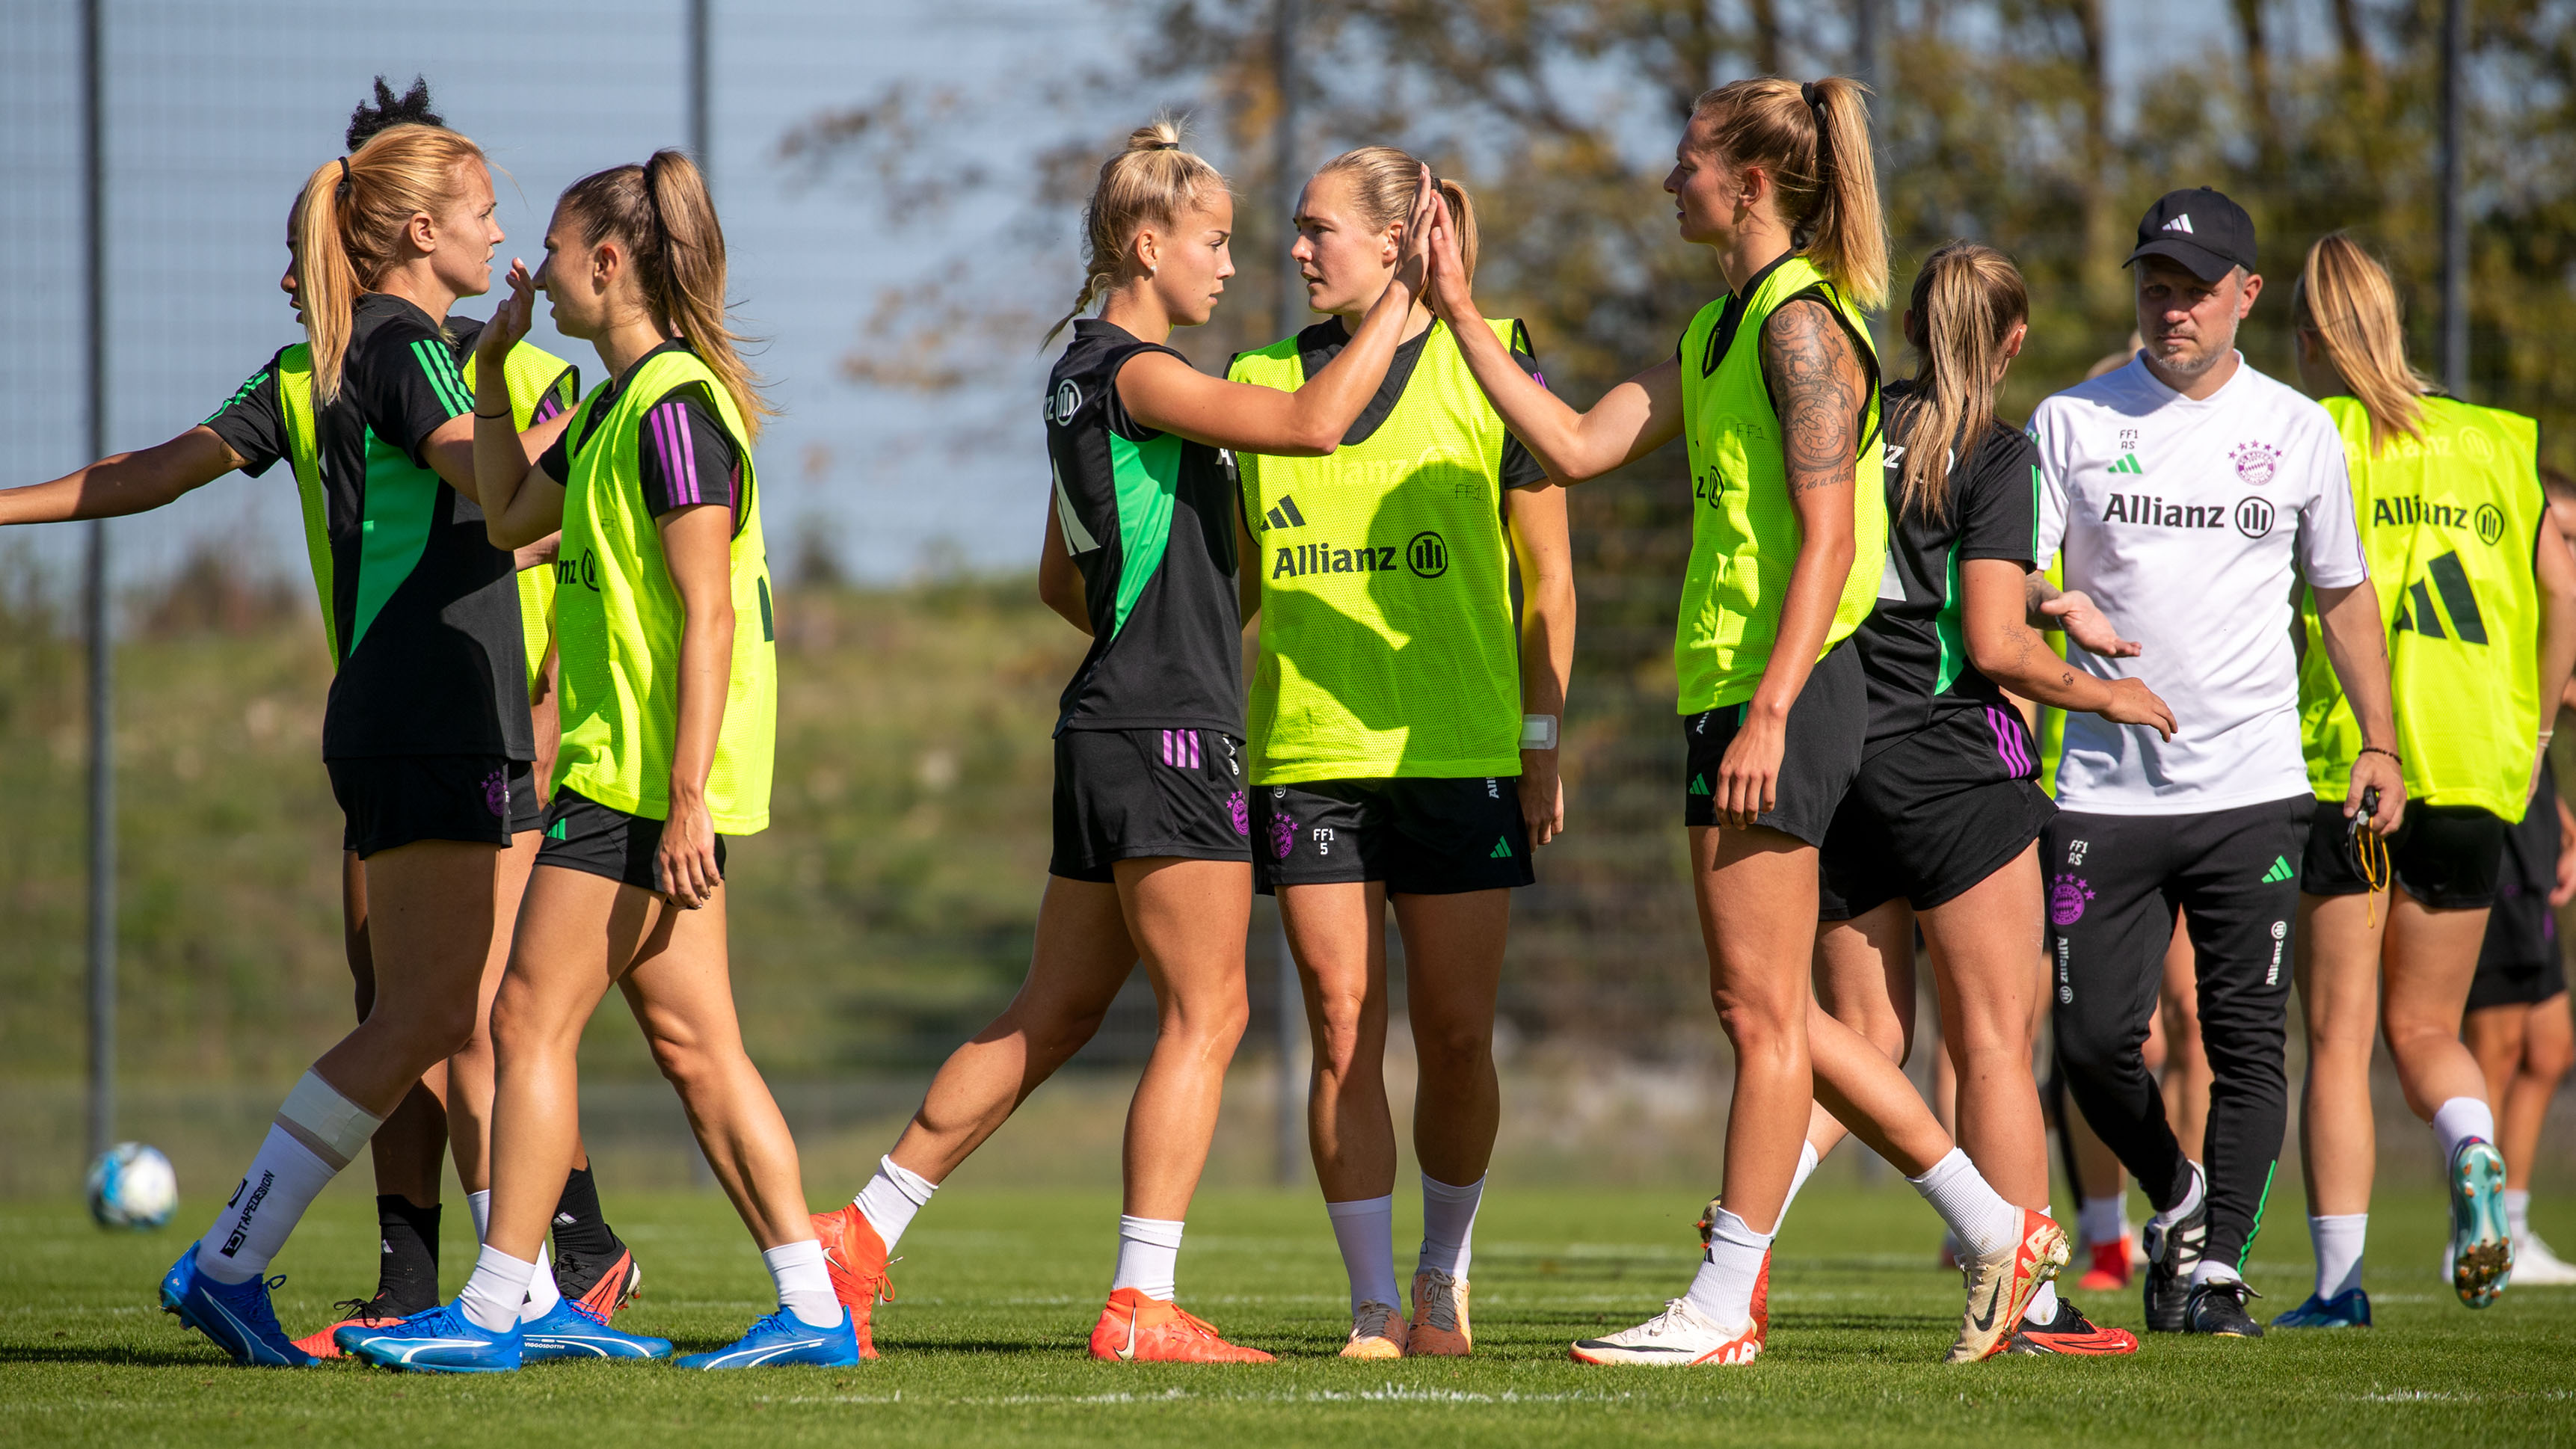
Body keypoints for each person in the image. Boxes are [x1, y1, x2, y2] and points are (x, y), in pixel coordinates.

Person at [803, 119, 1442, 1364]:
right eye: (1211, 242)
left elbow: (1064, 575)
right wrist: (1406, 291)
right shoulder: (1139, 373)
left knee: (1051, 1011)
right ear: (1144, 244)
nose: (1227, 266)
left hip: (1108, 717)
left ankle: (859, 1234)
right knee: (1208, 1016)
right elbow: (1315, 423)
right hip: (1167, 735)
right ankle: (1141, 1299)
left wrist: (1183, 608)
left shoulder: (1079, 375)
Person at [1422, 75, 2020, 1367]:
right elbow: (1575, 444)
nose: (1665, 180)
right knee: (1762, 1005)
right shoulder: (1717, 331)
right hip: (1729, 691)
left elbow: (1830, 543)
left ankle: (1723, 1304)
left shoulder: (1803, 330)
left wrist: (1771, 708)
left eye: (1687, 160)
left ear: (1749, 183)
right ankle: (1991, 1223)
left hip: (1780, 695)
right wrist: (1460, 313)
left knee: (1760, 1011)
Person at [3, 114, 574, 1368]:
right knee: (430, 1015)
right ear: (421, 233)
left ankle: (520, 1292)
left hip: (398, 719)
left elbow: (146, 473)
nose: (496, 231)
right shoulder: (409, 348)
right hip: (431, 716)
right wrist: (604, 419)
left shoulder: (317, 359)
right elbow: (480, 478)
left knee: (460, 1013)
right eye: (481, 211)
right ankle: (228, 1261)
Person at [339, 148, 831, 1370]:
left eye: (551, 249)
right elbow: (508, 515)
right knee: (695, 1045)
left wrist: (681, 802)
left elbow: (706, 611)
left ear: (608, 263)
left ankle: (497, 1306)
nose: (532, 264)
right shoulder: (618, 407)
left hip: (641, 781)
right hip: (640, 779)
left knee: (521, 1016)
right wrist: (499, 367)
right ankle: (815, 1309)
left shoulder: (671, 407)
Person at [1785, 242, 2177, 1358]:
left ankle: (1738, 1250)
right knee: (1996, 1040)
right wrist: (2110, 694)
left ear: (1909, 325)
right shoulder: (1998, 454)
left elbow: (1921, 577)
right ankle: (2028, 1300)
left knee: (1857, 1036)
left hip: (1836, 753)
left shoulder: (1849, 420)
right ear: (2012, 341)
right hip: (1953, 766)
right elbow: (1991, 647)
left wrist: (2048, 600)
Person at [2030, 188, 2406, 1341]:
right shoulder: (2071, 419)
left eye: (2196, 287)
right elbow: (2015, 585)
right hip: (2100, 790)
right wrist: (2060, 607)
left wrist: (2381, 739)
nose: (2172, 304)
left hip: (2252, 792)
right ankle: (2178, 1195)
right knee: (2093, 1039)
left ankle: (2212, 1272)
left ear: (2246, 294)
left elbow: (2342, 599)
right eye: (2155, 281)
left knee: (2248, 1045)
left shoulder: (2298, 430)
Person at [1225, 146, 1574, 1359]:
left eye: (1319, 228)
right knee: (1338, 1021)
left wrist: (1539, 740)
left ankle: (1443, 1273)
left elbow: (1550, 580)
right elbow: (1216, 586)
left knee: (1458, 1033)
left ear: (1397, 238)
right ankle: (1374, 1302)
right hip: (1309, 753)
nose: (1296, 249)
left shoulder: (1496, 360)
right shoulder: (1259, 380)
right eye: (1295, 228)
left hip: (1459, 748)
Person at [2274, 233, 2576, 1326]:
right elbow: (2560, 592)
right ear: (2395, 321)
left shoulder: (2317, 434)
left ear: (2309, 336)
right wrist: (2532, 736)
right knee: (2426, 1030)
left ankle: (2335, 1287)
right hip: (2476, 773)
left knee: (2342, 1039)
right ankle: (2474, 1151)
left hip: (2354, 761)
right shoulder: (2500, 442)